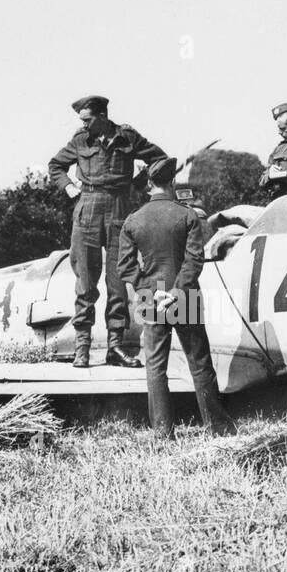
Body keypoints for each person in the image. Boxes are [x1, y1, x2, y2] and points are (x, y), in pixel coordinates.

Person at [117, 157, 237, 439]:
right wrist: (175, 292)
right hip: (185, 297)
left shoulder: (133, 220)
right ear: (172, 183)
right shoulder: (187, 216)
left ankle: (162, 431)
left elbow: (124, 266)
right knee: (199, 363)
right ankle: (217, 427)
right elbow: (195, 260)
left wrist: (149, 288)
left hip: (149, 299)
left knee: (155, 366)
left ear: (148, 184)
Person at [48, 94, 168, 368]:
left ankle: (115, 347)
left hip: (119, 209)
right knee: (85, 283)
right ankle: (82, 348)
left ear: (102, 117)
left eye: (88, 120)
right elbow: (55, 166)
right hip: (86, 209)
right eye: (83, 121)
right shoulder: (80, 140)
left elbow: (159, 158)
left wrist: (139, 182)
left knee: (118, 282)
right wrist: (69, 187)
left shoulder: (127, 137)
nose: (84, 125)